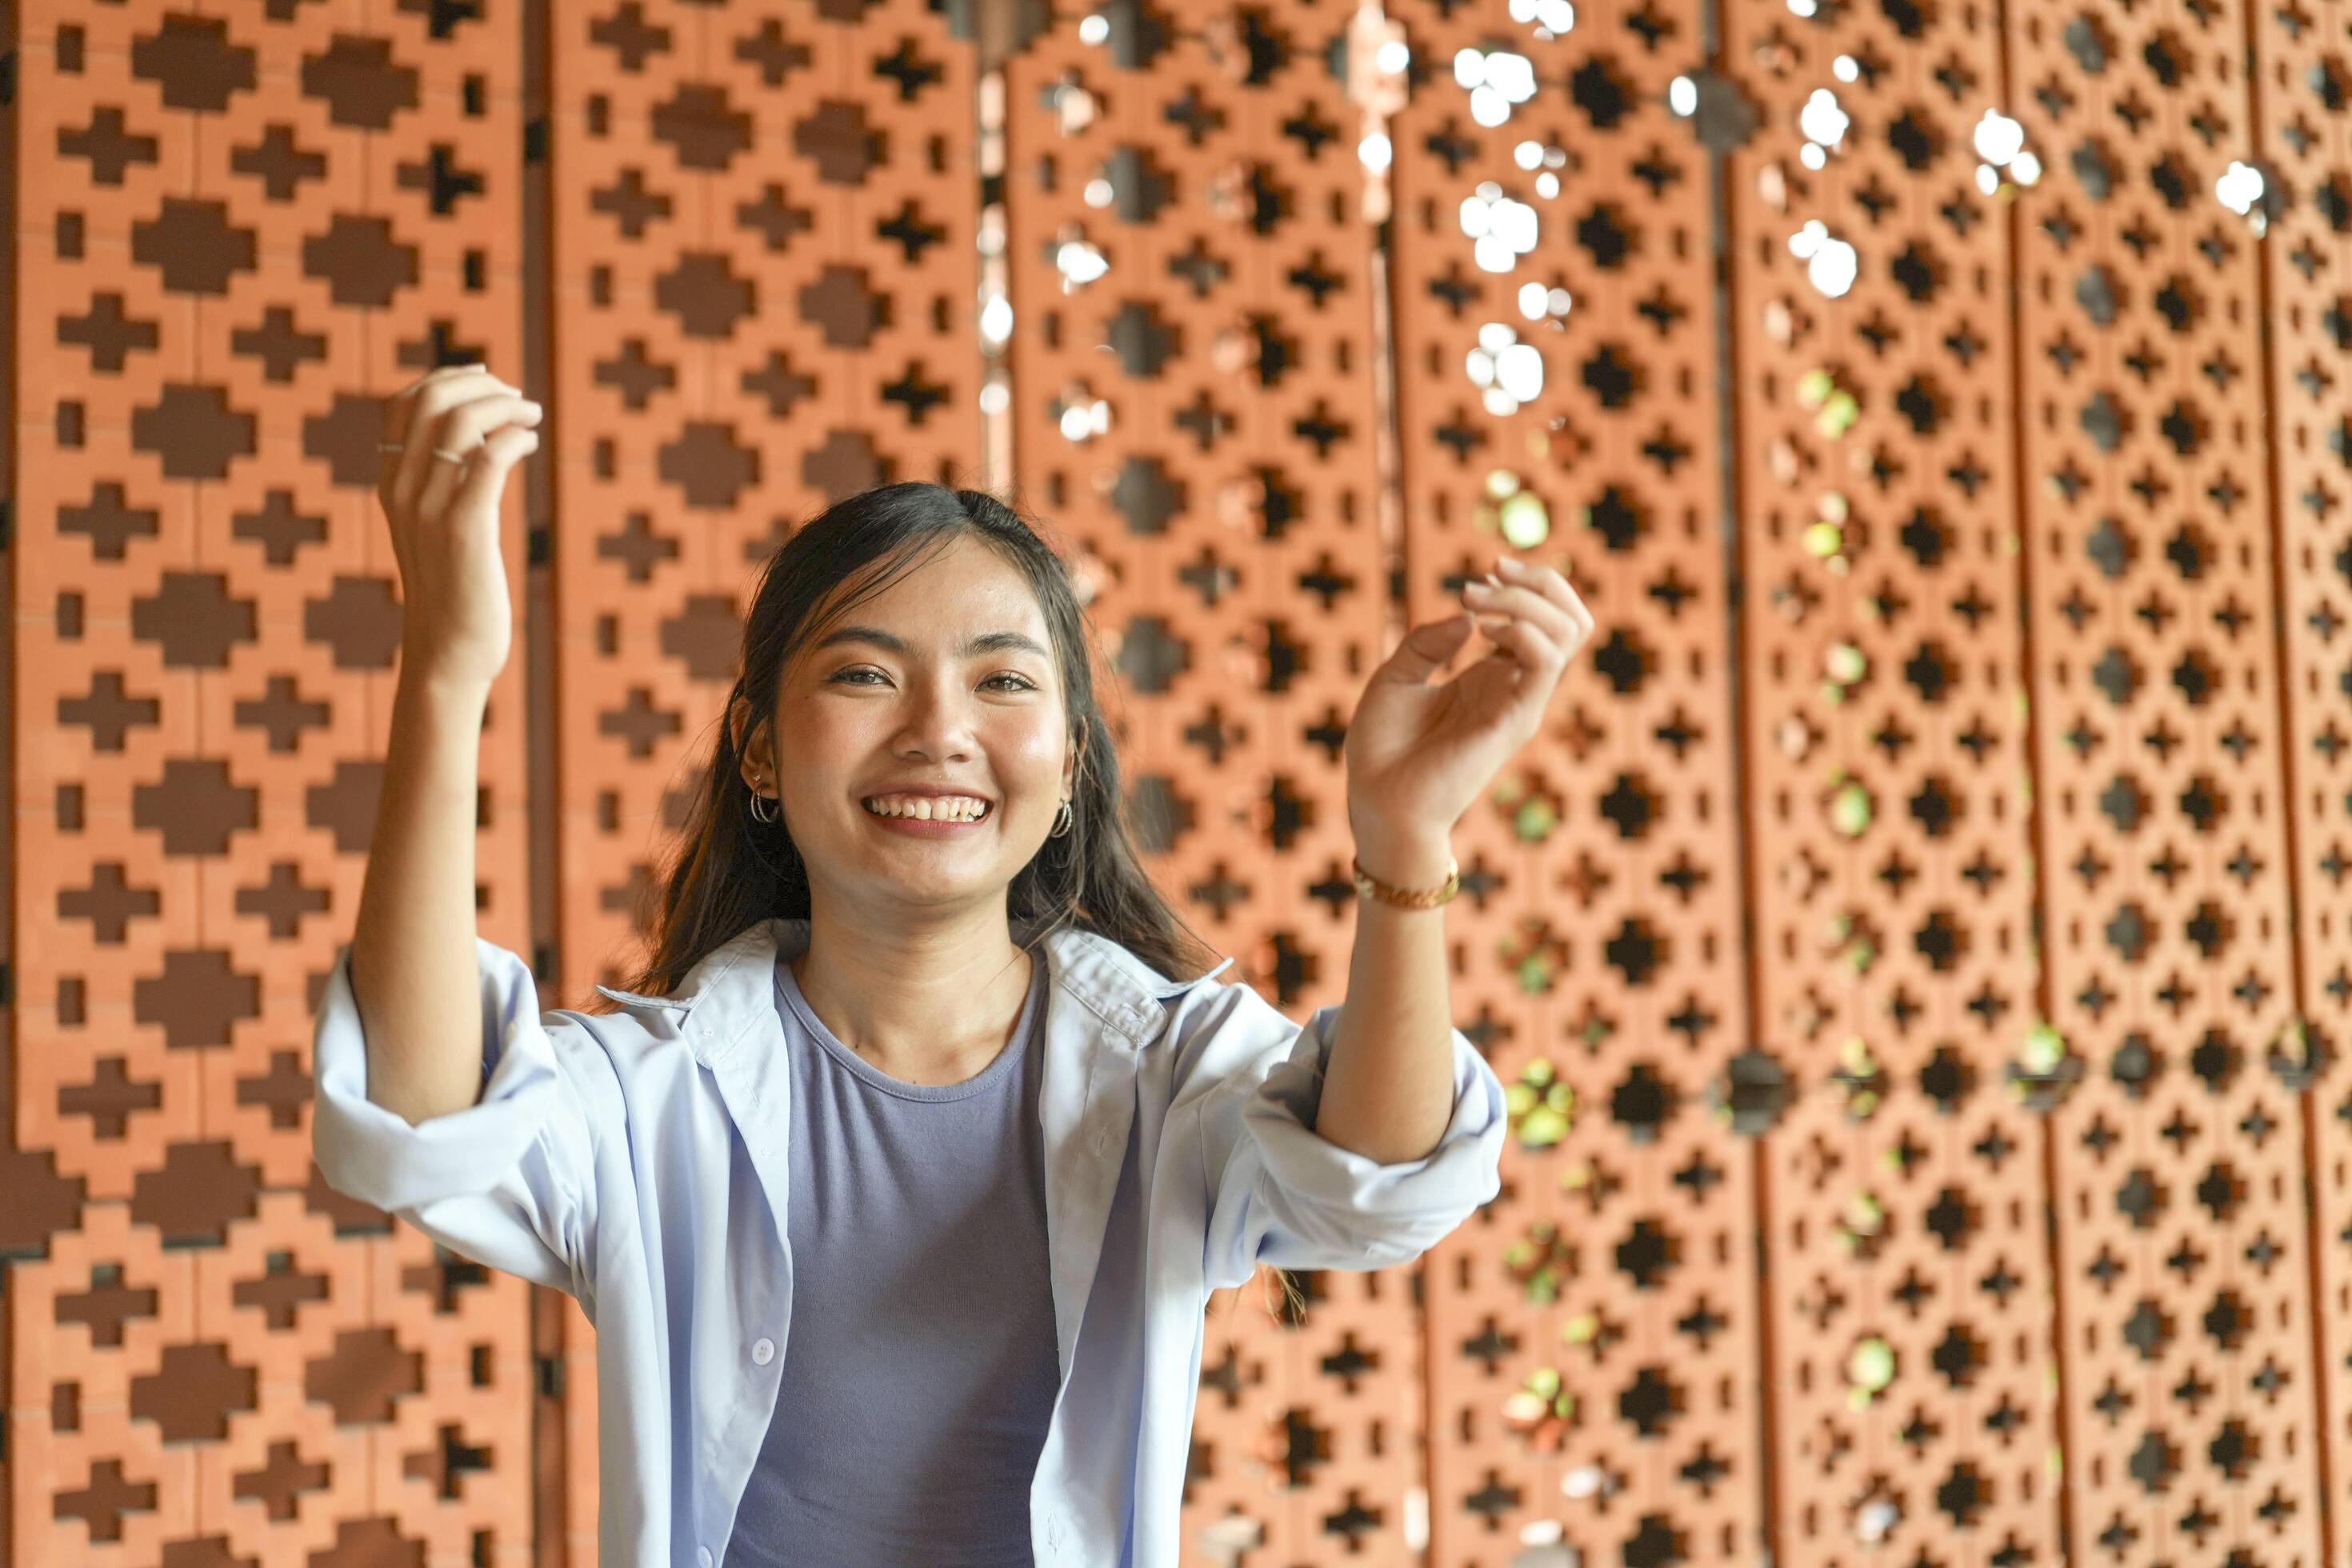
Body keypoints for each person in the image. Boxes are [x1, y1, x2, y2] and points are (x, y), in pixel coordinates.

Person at [312, 365, 1590, 1566]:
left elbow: (1382, 1186)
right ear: (759, 753)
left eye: (1002, 681)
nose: (939, 733)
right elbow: (419, 1124)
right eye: (867, 674)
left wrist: (1405, 842)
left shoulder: (1167, 1072)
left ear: (1071, 760)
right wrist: (446, 668)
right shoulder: (655, 1094)